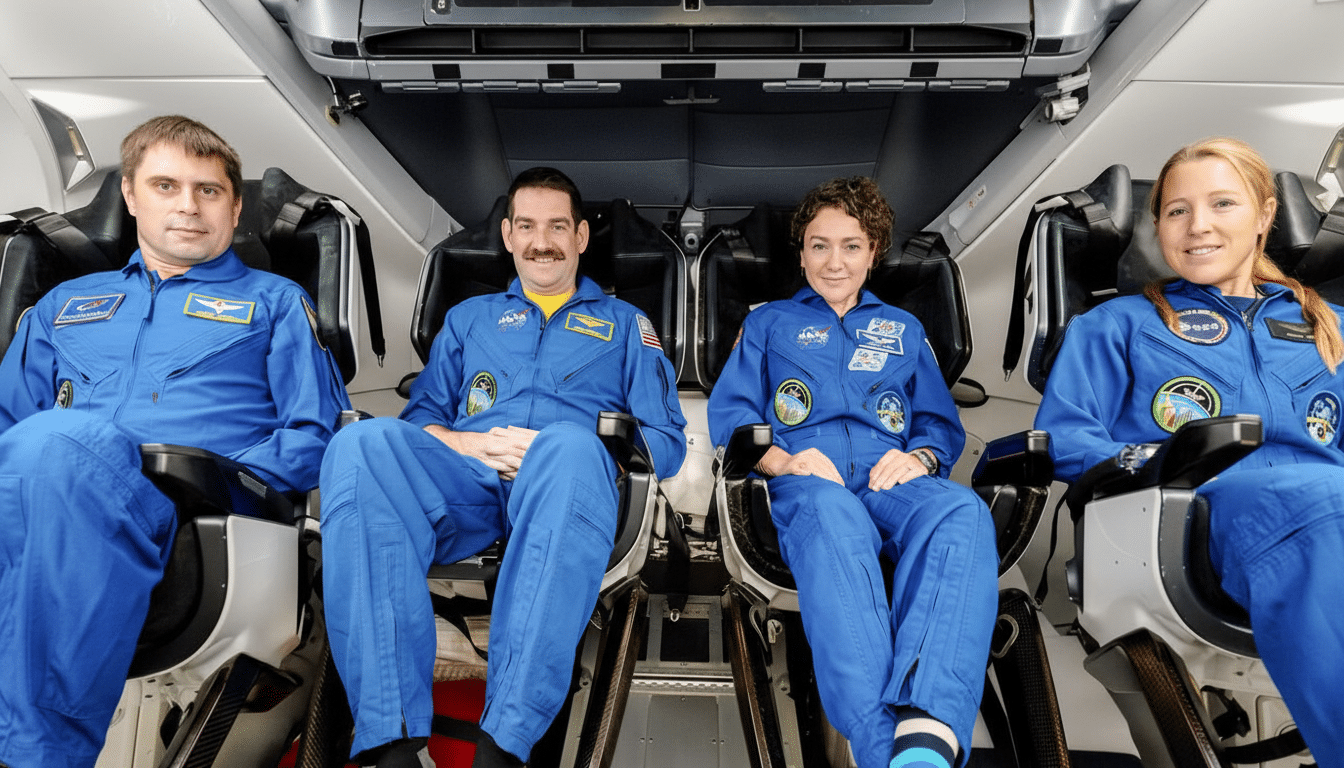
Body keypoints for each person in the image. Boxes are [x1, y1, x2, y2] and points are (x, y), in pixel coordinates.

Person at [0, 115, 350, 768]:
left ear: (234, 205)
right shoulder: (62, 306)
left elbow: (314, 436)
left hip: (185, 509)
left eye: (209, 190)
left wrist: (212, 475)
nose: (188, 205)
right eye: (166, 185)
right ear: (130, 195)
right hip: (38, 495)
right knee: (46, 450)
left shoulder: (274, 303)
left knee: (61, 438)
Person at [320, 167, 687, 768]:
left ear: (582, 238)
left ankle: (503, 745)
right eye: (528, 226)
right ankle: (388, 740)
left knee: (566, 446)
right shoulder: (469, 319)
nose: (543, 240)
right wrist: (472, 446)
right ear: (510, 236)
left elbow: (666, 442)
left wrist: (562, 444)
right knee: (361, 445)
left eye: (558, 226)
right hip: (467, 482)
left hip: (568, 488)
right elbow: (421, 422)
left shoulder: (627, 326)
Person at [1035, 136, 1344, 765]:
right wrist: (1156, 461)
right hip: (1198, 516)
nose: (1197, 225)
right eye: (1176, 210)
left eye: (1222, 204)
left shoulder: (1330, 326)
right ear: (1158, 228)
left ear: (1264, 216)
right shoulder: (1117, 326)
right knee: (1322, 504)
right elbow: (1066, 438)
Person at [707, 177, 997, 768]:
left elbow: (940, 424)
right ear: (802, 251)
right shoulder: (768, 323)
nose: (833, 262)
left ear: (874, 251)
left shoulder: (905, 330)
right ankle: (880, 747)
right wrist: (784, 460)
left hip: (892, 476)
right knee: (832, 515)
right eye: (819, 245)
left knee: (962, 511)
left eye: (850, 246)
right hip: (807, 479)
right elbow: (732, 416)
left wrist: (918, 457)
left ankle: (928, 727)